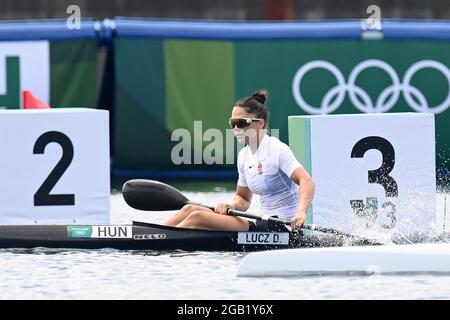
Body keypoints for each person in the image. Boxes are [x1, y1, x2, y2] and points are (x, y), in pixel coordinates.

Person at [164, 89, 315, 231]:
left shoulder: (276, 149)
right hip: (263, 222)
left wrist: (301, 213)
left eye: (241, 123)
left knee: (198, 217)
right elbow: (243, 198)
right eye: (232, 123)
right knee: (189, 209)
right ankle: (150, 233)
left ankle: (160, 239)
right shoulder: (244, 156)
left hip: (285, 226)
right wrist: (230, 205)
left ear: (260, 123)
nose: (235, 129)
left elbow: (306, 181)